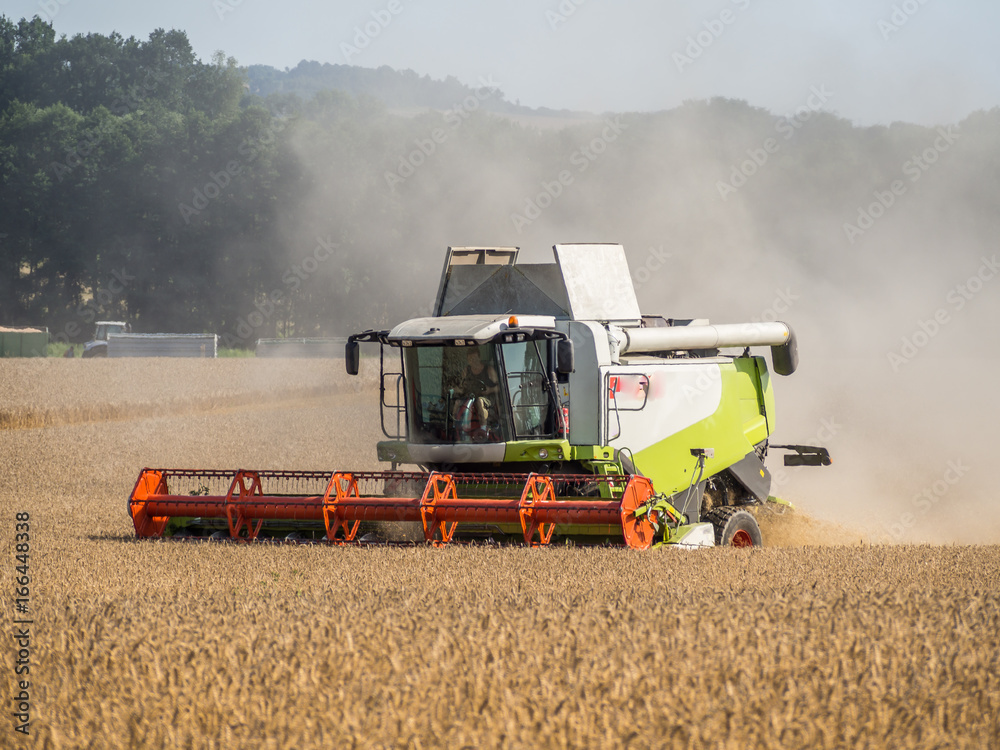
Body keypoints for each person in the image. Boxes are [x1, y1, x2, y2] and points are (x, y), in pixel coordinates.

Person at [454, 348, 499, 428]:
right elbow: (461, 386)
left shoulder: (489, 370)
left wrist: (490, 390)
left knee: (479, 401)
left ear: (479, 357)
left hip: (486, 397)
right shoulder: (466, 371)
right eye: (470, 359)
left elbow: (500, 387)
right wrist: (456, 390)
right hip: (470, 396)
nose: (472, 361)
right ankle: (455, 426)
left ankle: (483, 429)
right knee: (457, 402)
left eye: (474, 358)